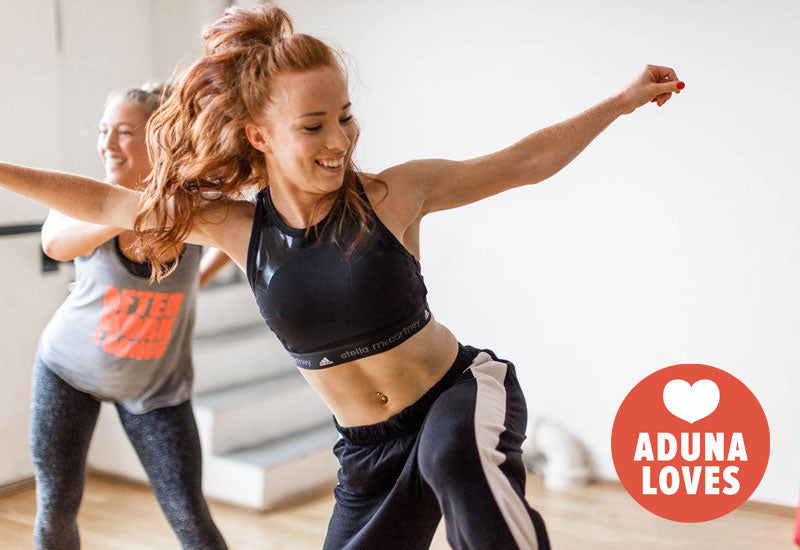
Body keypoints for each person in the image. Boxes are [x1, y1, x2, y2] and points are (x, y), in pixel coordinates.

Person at [0, 5, 684, 549]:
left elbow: (526, 161)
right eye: (313, 126)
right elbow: (107, 205)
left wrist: (620, 101)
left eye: (346, 117)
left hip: (457, 394)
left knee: (454, 460)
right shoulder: (236, 229)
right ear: (261, 137)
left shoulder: (393, 195)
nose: (340, 140)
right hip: (367, 450)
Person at [31, 84, 228, 550]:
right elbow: (54, 244)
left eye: (123, 132)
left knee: (190, 516)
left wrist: (195, 276)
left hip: (157, 390)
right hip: (66, 371)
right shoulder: (86, 200)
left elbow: (239, 230)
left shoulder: (192, 210)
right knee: (57, 505)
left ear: (158, 137)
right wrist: (134, 205)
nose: (107, 144)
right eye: (104, 131)